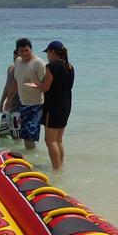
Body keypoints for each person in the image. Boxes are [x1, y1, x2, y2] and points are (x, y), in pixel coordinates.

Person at [32, 40, 75, 169]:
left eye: (48, 53)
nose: (47, 56)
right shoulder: (70, 66)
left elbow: (46, 88)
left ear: (52, 52)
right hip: (66, 104)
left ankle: (56, 169)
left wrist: (36, 84)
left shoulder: (51, 66)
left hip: (54, 106)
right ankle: (60, 165)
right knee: (58, 140)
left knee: (50, 141)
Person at [6, 38, 46, 150]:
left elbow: (46, 85)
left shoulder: (38, 63)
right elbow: (15, 82)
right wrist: (9, 99)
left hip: (36, 105)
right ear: (17, 52)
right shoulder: (18, 61)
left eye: (26, 50)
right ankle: (32, 158)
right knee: (24, 136)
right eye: (21, 51)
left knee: (29, 135)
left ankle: (33, 161)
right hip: (23, 105)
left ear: (31, 49)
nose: (24, 53)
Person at [0, 48, 23, 140]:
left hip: (18, 107)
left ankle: (17, 153)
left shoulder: (24, 70)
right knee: (2, 133)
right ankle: (2, 151)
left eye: (18, 58)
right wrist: (1, 102)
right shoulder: (10, 68)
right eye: (14, 57)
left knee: (16, 135)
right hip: (8, 107)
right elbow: (7, 86)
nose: (16, 60)